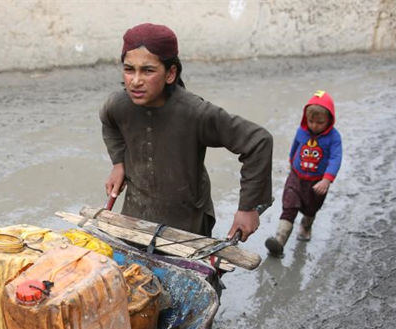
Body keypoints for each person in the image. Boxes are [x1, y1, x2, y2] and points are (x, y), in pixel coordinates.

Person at [100, 23, 273, 242]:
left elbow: (258, 141)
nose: (135, 81)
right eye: (129, 69)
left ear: (171, 73)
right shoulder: (119, 105)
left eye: (148, 70)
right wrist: (118, 162)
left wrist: (248, 207)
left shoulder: (195, 113)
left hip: (186, 221)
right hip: (136, 214)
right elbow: (109, 122)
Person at [264, 90, 342, 257]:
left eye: (320, 122)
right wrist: (292, 163)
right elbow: (295, 148)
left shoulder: (334, 138)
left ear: (329, 120)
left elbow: (336, 158)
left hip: (317, 183)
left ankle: (306, 227)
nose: (314, 125)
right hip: (296, 177)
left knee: (310, 209)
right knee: (289, 206)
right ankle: (279, 241)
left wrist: (327, 180)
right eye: (311, 121)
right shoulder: (302, 131)